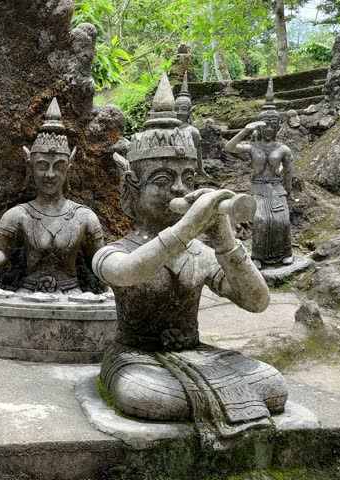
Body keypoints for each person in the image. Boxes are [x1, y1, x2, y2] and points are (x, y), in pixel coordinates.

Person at [95, 73, 287, 450]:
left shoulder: (199, 253)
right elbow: (128, 272)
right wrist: (188, 227)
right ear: (132, 190)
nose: (180, 190)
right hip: (138, 357)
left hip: (197, 354)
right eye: (163, 179)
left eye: (187, 178)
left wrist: (223, 239)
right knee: (144, 395)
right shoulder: (115, 249)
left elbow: (257, 302)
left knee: (273, 384)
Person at [0, 98, 105, 295]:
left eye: (58, 167)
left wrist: (118, 281)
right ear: (30, 168)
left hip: (73, 295)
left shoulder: (84, 217)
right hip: (27, 293)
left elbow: (101, 261)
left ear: (69, 171)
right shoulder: (18, 215)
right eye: (42, 166)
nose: (50, 175)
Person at [224, 78, 294, 268]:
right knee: (261, 220)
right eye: (265, 125)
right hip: (258, 187)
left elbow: (288, 173)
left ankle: (285, 253)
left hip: (277, 188)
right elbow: (229, 147)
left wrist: (289, 192)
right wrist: (245, 130)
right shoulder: (252, 146)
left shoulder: (284, 149)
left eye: (273, 124)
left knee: (282, 220)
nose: (269, 129)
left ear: (279, 126)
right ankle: (258, 256)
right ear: (259, 127)